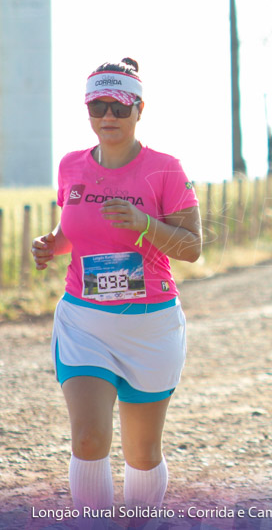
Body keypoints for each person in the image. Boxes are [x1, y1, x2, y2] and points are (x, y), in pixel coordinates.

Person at [31, 58, 202, 519]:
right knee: (88, 439)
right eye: (98, 105)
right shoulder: (71, 166)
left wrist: (145, 224)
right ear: (88, 110)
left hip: (150, 326)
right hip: (84, 321)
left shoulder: (165, 169)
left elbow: (192, 247)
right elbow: (75, 230)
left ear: (139, 110)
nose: (108, 116)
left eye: (119, 107)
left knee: (142, 453)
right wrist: (52, 243)